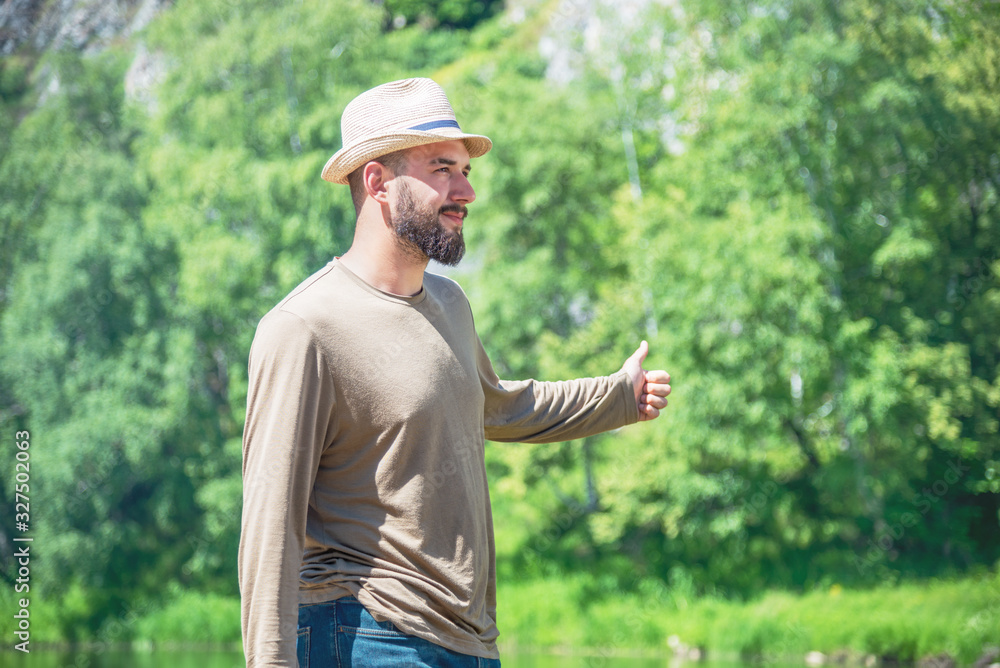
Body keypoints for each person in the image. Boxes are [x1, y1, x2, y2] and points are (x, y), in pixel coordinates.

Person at [239, 77, 671, 668]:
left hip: (466, 641)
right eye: (443, 168)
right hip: (363, 632)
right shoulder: (304, 327)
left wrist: (618, 397)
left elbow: (498, 407)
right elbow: (270, 521)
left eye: (465, 171)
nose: (465, 190)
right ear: (377, 181)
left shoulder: (450, 305)